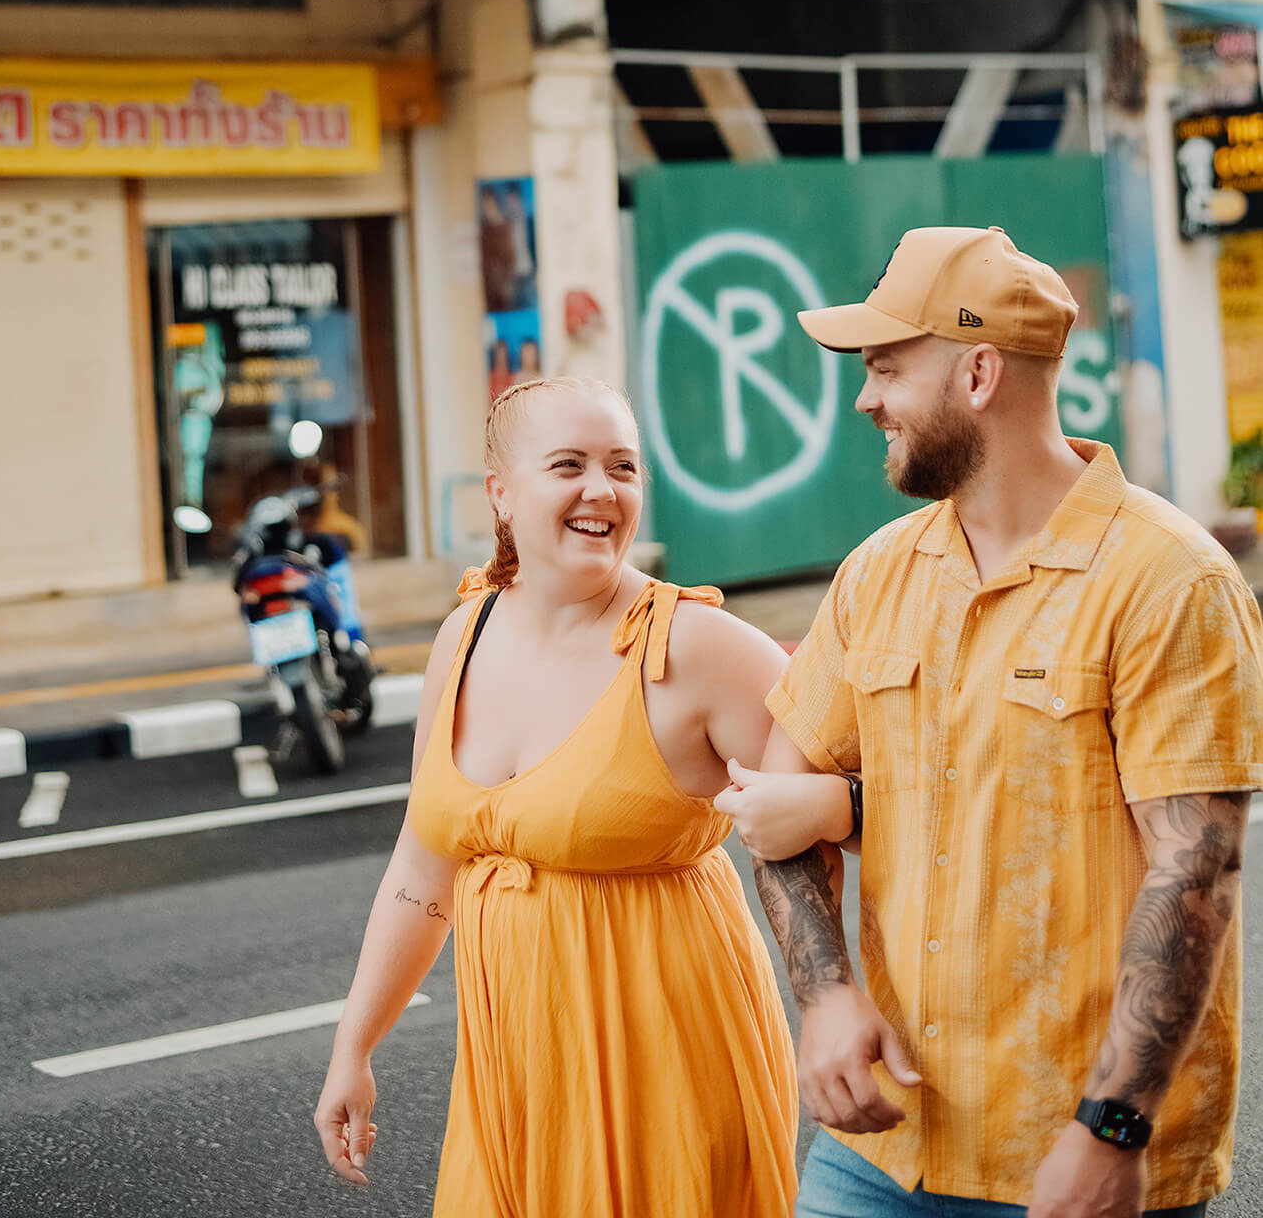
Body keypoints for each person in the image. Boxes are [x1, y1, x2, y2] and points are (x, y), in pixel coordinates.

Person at [740, 225, 1263, 1218]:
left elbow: (1191, 873)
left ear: (977, 370)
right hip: (881, 1147)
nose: (864, 397)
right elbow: (773, 805)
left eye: (885, 367)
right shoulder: (874, 574)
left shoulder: (1167, 579)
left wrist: (1110, 1124)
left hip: (1075, 1153)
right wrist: (825, 995)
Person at [314, 373, 834, 1216]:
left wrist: (837, 1013)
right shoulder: (464, 633)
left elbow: (851, 817)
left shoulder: (700, 649)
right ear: (502, 494)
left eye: (623, 467)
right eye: (569, 464)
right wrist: (354, 1046)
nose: (603, 490)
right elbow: (424, 861)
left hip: (670, 1058)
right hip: (512, 1066)